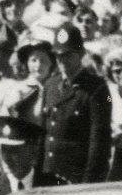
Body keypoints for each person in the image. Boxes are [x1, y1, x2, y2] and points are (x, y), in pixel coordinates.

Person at [37, 23, 112, 186]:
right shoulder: (50, 85)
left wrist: (89, 184)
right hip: (49, 176)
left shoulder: (96, 88)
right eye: (58, 56)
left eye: (67, 55)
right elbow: (43, 135)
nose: (62, 60)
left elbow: (98, 143)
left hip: (76, 179)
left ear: (81, 53)